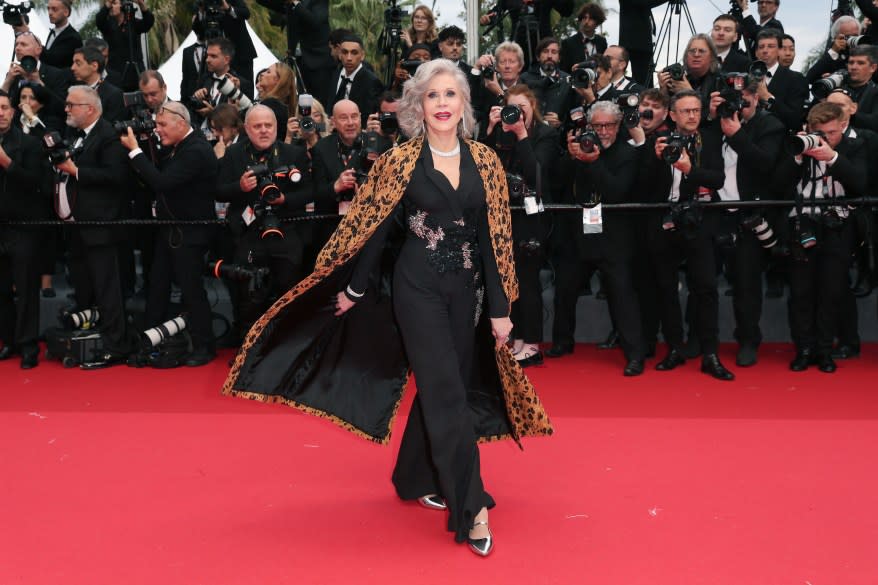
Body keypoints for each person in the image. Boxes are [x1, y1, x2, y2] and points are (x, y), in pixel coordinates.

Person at [221, 59, 552, 557]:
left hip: (468, 294)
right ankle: (471, 504)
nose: (442, 103)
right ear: (419, 105)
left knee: (451, 385)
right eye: (433, 95)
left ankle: (415, 475)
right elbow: (372, 231)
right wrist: (355, 289)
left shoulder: (484, 161)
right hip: (415, 290)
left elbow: (493, 239)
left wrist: (502, 309)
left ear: (463, 104)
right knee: (445, 391)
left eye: (451, 95)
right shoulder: (400, 160)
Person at [120, 100, 218, 366]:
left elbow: (162, 182)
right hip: (171, 230)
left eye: (162, 124)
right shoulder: (178, 147)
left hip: (190, 233)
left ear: (181, 123)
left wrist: (134, 151)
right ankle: (150, 340)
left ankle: (204, 346)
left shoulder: (195, 149)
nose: (158, 129)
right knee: (158, 285)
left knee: (191, 289)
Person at [644, 90, 734, 381]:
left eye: (696, 110)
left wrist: (689, 169)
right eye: (686, 111)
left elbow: (717, 179)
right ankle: (674, 348)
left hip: (701, 220)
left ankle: (710, 353)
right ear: (672, 115)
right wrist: (656, 159)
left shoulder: (710, 139)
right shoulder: (655, 141)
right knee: (665, 288)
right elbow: (641, 184)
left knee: (706, 288)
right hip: (666, 221)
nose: (692, 116)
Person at [554, 101, 648, 375]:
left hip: (614, 237)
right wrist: (571, 157)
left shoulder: (626, 154)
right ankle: (562, 342)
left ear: (619, 127)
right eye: (598, 126)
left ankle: (634, 354)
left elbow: (617, 191)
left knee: (622, 295)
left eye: (608, 125)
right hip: (579, 233)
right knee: (565, 288)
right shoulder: (580, 145)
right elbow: (556, 182)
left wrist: (593, 163)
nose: (603, 131)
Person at [777, 102, 868, 373]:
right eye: (819, 133)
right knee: (802, 292)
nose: (824, 138)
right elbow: (777, 185)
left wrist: (831, 157)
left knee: (831, 292)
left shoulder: (855, 147)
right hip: (801, 225)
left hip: (837, 227)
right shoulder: (799, 147)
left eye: (830, 132)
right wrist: (796, 156)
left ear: (843, 126)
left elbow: (860, 182)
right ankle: (804, 349)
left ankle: (825, 350)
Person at [52, 86, 133, 368]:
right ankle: (89, 336)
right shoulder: (78, 136)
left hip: (101, 226)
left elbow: (116, 177)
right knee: (84, 285)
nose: (67, 110)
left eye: (71, 105)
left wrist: (75, 171)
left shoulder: (108, 136)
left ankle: (116, 344)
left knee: (108, 287)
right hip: (78, 226)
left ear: (90, 108)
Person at [215, 105, 313, 337]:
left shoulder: (293, 154)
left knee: (288, 290)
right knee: (249, 296)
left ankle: (284, 348)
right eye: (257, 126)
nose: (263, 131)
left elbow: (309, 192)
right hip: (248, 234)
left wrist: (284, 199)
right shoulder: (234, 154)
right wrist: (239, 188)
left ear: (276, 128)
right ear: (247, 129)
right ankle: (247, 350)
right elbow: (218, 191)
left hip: (285, 231)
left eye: (268, 125)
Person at [708, 80, 786, 367]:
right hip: (714, 213)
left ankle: (748, 340)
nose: (737, 104)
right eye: (730, 99)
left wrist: (738, 134)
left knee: (746, 284)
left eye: (743, 98)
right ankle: (701, 339)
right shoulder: (713, 123)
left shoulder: (770, 126)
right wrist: (710, 116)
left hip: (748, 215)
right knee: (702, 280)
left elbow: (765, 164)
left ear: (756, 97)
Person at [481, 84, 558, 367]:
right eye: (510, 109)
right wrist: (490, 129)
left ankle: (533, 343)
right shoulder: (499, 133)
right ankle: (518, 339)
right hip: (503, 218)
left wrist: (522, 135)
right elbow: (480, 167)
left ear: (533, 107)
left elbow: (535, 174)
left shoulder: (546, 135)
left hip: (532, 219)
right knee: (509, 283)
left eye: (521, 109)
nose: (515, 115)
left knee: (527, 281)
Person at [0, 90, 51, 368]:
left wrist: (7, 163)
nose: (0, 113)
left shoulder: (30, 145)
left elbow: (38, 183)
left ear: (14, 111)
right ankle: (9, 340)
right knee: (2, 290)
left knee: (27, 288)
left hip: (24, 227)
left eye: (5, 108)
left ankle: (29, 344)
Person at [253, 0, 335, 99]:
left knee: (320, 99)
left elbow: (315, 22)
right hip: (300, 59)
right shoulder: (289, 3)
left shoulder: (317, 2)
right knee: (303, 99)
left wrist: (295, 3)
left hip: (319, 59)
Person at [753, 29, 808, 132]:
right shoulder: (746, 76)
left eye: (770, 46)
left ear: (779, 50)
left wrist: (767, 97)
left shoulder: (795, 79)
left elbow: (795, 119)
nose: (765, 50)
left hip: (781, 140)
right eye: (761, 47)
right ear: (756, 52)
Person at [324, 34, 384, 126]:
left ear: (362, 55)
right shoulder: (335, 73)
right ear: (339, 54)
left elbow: (368, 117)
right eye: (345, 52)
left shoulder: (371, 81)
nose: (349, 58)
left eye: (354, 53)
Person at [95, 0, 155, 89]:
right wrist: (108, 4)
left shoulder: (133, 23)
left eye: (114, 4)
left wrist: (142, 4)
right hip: (116, 72)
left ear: (122, 6)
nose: (111, 6)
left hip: (136, 71)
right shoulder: (108, 25)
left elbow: (148, 22)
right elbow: (99, 20)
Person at [618, 0, 669, 85]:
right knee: (643, 83)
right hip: (636, 45)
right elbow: (645, 2)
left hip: (642, 45)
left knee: (646, 81)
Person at [70, 47, 125, 122]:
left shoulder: (113, 95)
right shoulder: (74, 91)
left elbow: (112, 129)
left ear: (94, 66)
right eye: (73, 63)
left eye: (78, 63)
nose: (72, 67)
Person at [804, 16, 862, 84]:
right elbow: (810, 78)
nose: (852, 40)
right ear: (836, 38)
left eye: (855, 36)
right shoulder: (833, 56)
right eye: (848, 37)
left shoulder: (867, 51)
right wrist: (834, 51)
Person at [255, 62, 298, 142]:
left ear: (278, 80)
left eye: (268, 72)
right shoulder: (281, 106)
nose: (262, 74)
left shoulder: (270, 105)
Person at [560, 2, 608, 74]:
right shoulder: (568, 43)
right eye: (584, 18)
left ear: (597, 22)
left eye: (591, 18)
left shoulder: (602, 42)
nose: (586, 22)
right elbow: (564, 71)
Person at [40, 0, 83, 69]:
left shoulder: (73, 37)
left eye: (54, 9)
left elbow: (53, 60)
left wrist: (35, 45)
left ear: (66, 12)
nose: (50, 13)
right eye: (48, 9)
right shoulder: (53, 32)